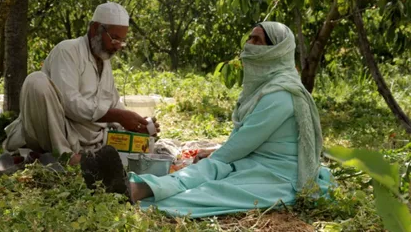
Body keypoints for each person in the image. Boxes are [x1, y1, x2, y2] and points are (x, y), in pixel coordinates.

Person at [88, 21, 331, 217]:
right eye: (250, 37)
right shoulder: (265, 89)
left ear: (275, 51)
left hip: (278, 176)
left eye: (257, 40)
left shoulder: (281, 95)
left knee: (213, 189)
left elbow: (243, 143)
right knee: (214, 167)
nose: (249, 45)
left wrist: (214, 157)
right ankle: (133, 187)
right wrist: (214, 153)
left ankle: (135, 190)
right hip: (253, 162)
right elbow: (245, 140)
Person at [1, 2, 159, 166]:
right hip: (56, 131)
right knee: (36, 81)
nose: (118, 46)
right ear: (94, 29)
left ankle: (82, 157)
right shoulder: (67, 51)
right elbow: (70, 103)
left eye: (122, 40)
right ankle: (65, 156)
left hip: (89, 139)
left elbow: (113, 104)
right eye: (114, 38)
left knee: (135, 152)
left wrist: (138, 123)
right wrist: (118, 116)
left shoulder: (104, 62)